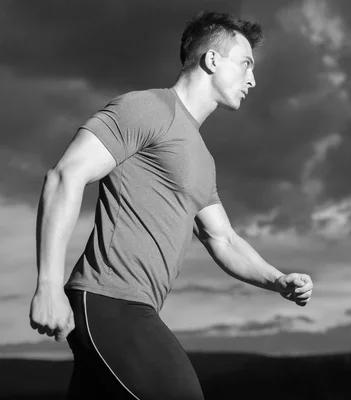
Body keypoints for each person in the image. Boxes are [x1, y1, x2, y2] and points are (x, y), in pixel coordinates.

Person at [28, 11, 313, 399]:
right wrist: (48, 286)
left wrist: (277, 279)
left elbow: (223, 239)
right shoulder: (147, 109)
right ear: (212, 60)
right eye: (245, 64)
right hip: (110, 301)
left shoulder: (201, 157)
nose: (253, 79)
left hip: (134, 306)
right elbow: (64, 176)